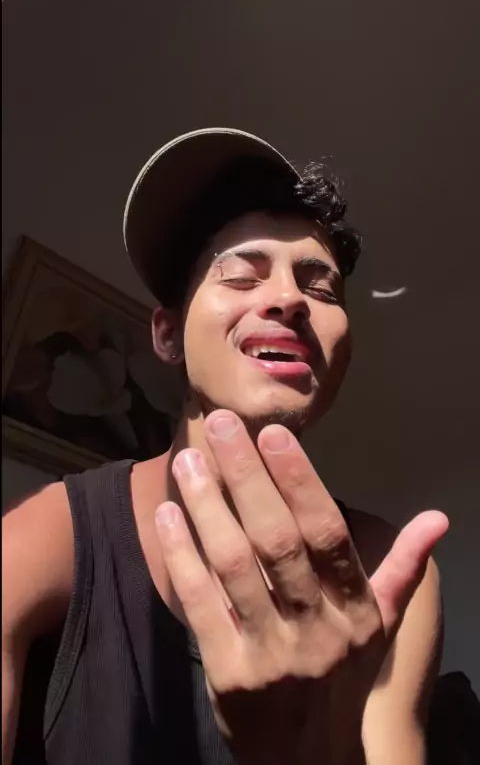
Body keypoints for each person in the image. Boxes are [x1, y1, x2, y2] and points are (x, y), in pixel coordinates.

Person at [2, 128, 448, 765]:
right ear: (167, 335)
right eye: (240, 277)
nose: (289, 299)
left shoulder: (393, 572)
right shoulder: (40, 540)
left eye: (321, 289)